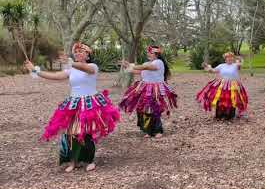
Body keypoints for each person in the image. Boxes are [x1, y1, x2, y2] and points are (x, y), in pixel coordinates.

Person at [24, 42, 120, 173]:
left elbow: (87, 70)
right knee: (70, 132)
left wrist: (71, 63)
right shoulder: (72, 69)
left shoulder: (92, 66)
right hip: (73, 104)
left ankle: (89, 160)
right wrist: (35, 70)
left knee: (86, 133)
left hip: (89, 104)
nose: (78, 53)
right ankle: (73, 161)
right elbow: (55, 76)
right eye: (76, 52)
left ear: (88, 55)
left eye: (82, 52)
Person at [119, 45, 177, 138]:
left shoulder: (158, 62)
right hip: (144, 88)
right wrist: (127, 66)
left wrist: (131, 65)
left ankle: (158, 131)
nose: (148, 54)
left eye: (151, 53)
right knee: (143, 110)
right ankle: (148, 130)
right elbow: (139, 71)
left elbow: (145, 67)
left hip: (155, 90)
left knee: (154, 109)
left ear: (156, 54)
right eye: (148, 52)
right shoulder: (147, 63)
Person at [196, 52, 248, 120]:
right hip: (222, 85)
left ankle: (230, 116)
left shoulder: (236, 65)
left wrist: (239, 61)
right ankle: (220, 115)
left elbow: (239, 65)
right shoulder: (221, 65)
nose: (229, 58)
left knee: (231, 99)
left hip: (233, 86)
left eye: (231, 57)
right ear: (225, 59)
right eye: (228, 57)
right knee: (221, 99)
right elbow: (213, 70)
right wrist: (208, 67)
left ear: (233, 58)